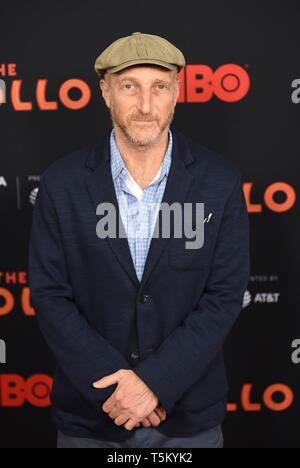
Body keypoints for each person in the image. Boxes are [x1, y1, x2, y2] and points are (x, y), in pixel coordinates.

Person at [28, 32, 250, 448]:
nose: (146, 105)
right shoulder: (62, 184)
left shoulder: (219, 182)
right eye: (129, 86)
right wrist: (120, 393)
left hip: (187, 421)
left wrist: (156, 384)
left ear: (177, 93)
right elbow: (49, 295)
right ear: (105, 92)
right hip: (92, 419)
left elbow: (223, 296)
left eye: (159, 87)